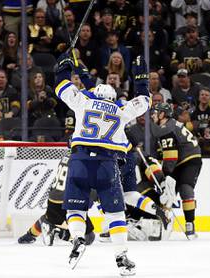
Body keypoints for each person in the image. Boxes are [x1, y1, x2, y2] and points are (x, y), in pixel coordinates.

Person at [54, 54, 151, 275]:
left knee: (75, 207)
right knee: (115, 214)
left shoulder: (84, 101)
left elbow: (61, 87)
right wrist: (142, 80)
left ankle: (78, 237)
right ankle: (121, 257)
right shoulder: (120, 109)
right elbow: (145, 101)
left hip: (79, 161)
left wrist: (63, 67)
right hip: (107, 164)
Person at [18, 152, 96, 246]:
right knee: (89, 238)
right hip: (69, 200)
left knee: (49, 217)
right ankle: (59, 233)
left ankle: (29, 235)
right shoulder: (86, 158)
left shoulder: (67, 155)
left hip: (53, 199)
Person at [151, 102, 202, 239]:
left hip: (189, 159)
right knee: (165, 194)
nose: (153, 115)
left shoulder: (166, 128)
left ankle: (190, 224)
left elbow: (171, 157)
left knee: (185, 188)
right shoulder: (168, 125)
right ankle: (163, 224)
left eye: (156, 112)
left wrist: (166, 175)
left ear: (163, 114)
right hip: (179, 160)